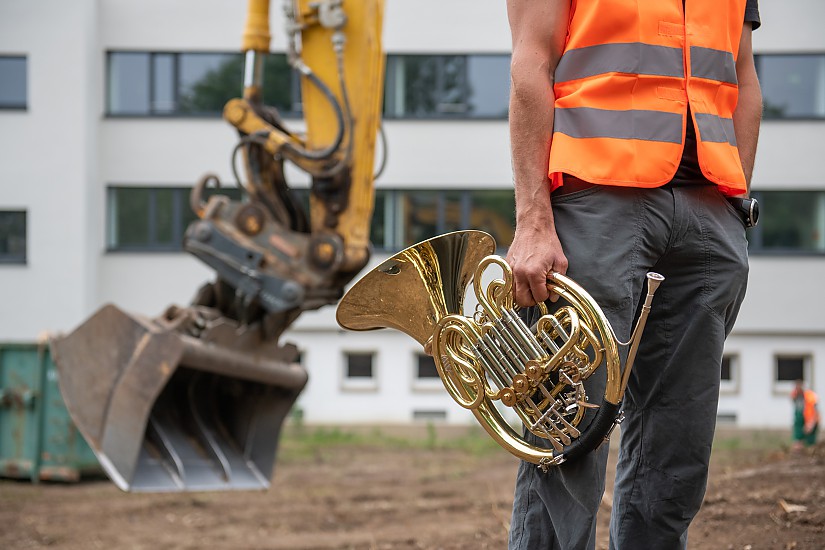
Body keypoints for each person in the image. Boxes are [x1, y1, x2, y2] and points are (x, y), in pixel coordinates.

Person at [505, 0, 762, 548]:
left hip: (708, 211)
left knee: (679, 445)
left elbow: (742, 75)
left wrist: (736, 205)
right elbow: (532, 62)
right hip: (596, 199)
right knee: (568, 430)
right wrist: (532, 220)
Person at [791, 379, 819, 450]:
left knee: (810, 443)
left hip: (811, 420)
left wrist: (810, 424)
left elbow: (815, 412)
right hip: (801, 419)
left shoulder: (810, 396)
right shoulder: (795, 395)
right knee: (798, 441)